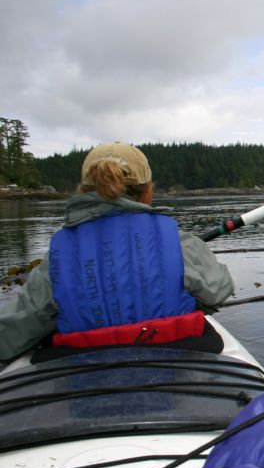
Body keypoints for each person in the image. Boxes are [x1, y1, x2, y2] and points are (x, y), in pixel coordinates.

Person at [0, 142, 234, 360]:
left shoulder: (58, 258)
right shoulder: (180, 242)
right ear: (147, 192)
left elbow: (10, 338)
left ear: (83, 191)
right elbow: (219, 291)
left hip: (85, 379)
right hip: (177, 370)